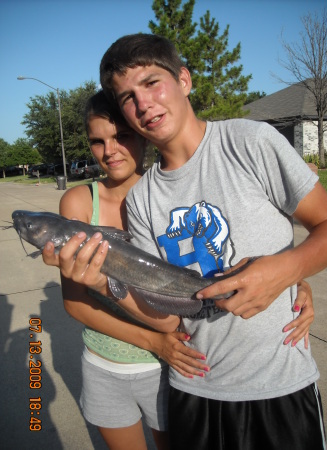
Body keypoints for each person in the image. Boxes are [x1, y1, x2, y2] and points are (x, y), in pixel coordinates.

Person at [42, 33, 327, 449]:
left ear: (184, 80)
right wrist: (101, 281)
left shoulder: (250, 142)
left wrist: (290, 272)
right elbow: (166, 317)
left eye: (151, 83)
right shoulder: (141, 200)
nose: (143, 104)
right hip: (193, 391)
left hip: (280, 386)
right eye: (127, 97)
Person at [45, 90, 216, 450]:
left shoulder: (172, 198)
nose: (109, 151)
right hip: (104, 368)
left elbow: (220, 264)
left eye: (121, 136)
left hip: (170, 369)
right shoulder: (79, 202)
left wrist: (297, 286)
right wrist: (154, 341)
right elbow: (75, 304)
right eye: (98, 141)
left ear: (142, 134)